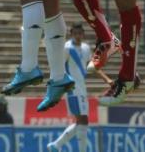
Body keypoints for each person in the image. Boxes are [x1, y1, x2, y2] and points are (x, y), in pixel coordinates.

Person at [47, 23, 113, 152]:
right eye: (75, 33)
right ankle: (60, 146)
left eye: (80, 33)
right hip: (72, 89)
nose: (78, 36)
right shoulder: (67, 48)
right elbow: (58, 67)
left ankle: (55, 146)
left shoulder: (86, 48)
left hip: (82, 88)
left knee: (83, 121)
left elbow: (92, 66)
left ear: (83, 34)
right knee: (82, 120)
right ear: (71, 34)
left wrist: (107, 79)